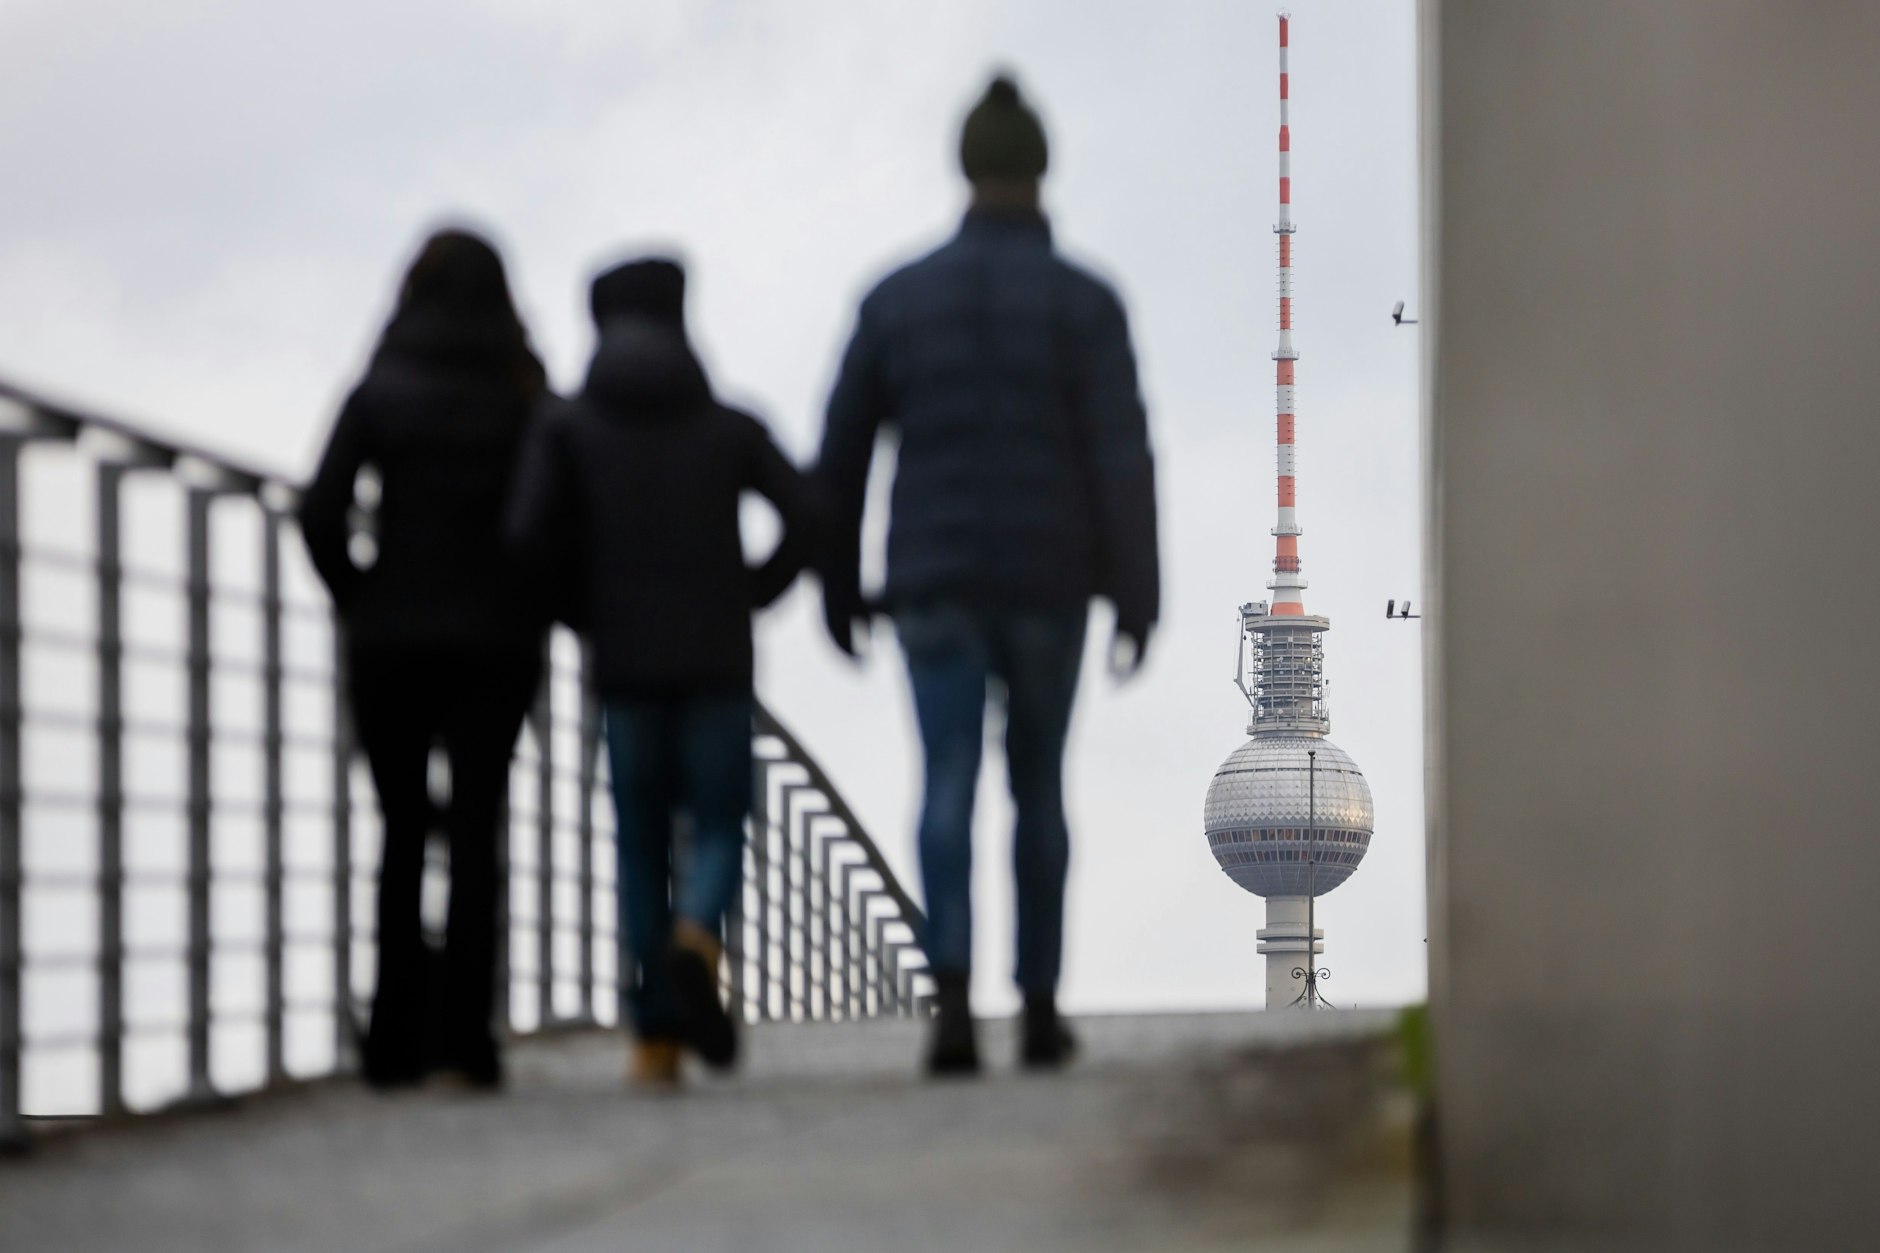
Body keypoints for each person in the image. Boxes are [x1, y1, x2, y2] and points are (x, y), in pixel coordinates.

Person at [816, 74, 1160, 1075]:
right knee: (1040, 791)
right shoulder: (1087, 304)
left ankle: (953, 1004)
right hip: (1051, 581)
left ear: (962, 166)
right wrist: (1136, 593)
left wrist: (837, 581)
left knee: (945, 783)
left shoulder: (893, 299)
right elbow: (1122, 457)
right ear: (1040, 167)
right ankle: (1041, 1005)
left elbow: (838, 459)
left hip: (932, 579)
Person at [506, 257, 818, 1087]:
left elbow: (527, 537)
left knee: (640, 842)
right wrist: (757, 589)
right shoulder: (730, 428)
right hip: (717, 657)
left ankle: (655, 1039)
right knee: (718, 823)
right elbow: (808, 513)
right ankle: (696, 939)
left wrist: (583, 610)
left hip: (625, 665)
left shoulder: (568, 428)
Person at [299, 228, 548, 1090]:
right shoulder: (524, 395)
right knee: (479, 831)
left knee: (404, 830)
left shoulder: (380, 389)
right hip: (497, 638)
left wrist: (359, 594)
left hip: (392, 638)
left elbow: (321, 509)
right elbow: (548, 519)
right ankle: (471, 1040)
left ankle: (394, 1037)